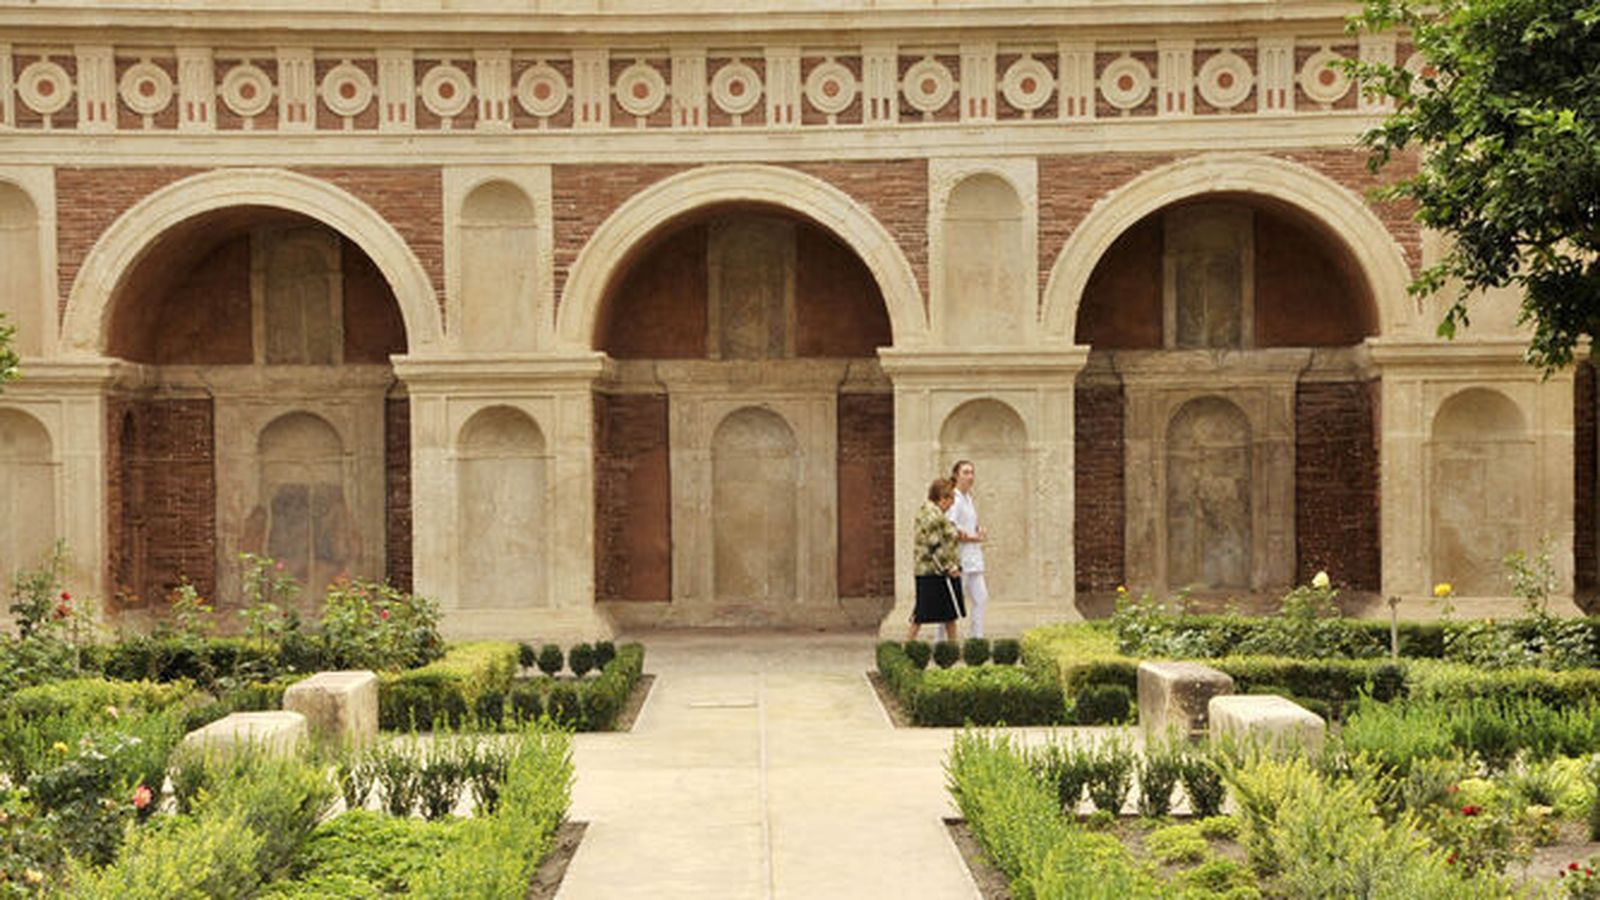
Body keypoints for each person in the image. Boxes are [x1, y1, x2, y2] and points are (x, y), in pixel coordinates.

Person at [909, 476, 964, 642]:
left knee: (947, 614)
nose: (952, 504)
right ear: (943, 497)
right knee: (923, 614)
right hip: (934, 572)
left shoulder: (927, 511)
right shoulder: (934, 516)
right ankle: (908, 645)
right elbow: (935, 546)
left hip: (930, 570)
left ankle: (952, 648)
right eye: (951, 499)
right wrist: (949, 568)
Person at [947, 459, 989, 638]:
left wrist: (978, 529)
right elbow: (950, 529)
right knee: (952, 603)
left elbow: (970, 524)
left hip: (974, 559)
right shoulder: (954, 499)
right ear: (956, 475)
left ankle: (977, 639)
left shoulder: (968, 498)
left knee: (981, 598)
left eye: (972, 472)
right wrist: (973, 538)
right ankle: (942, 642)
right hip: (959, 559)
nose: (970, 476)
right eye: (965, 472)